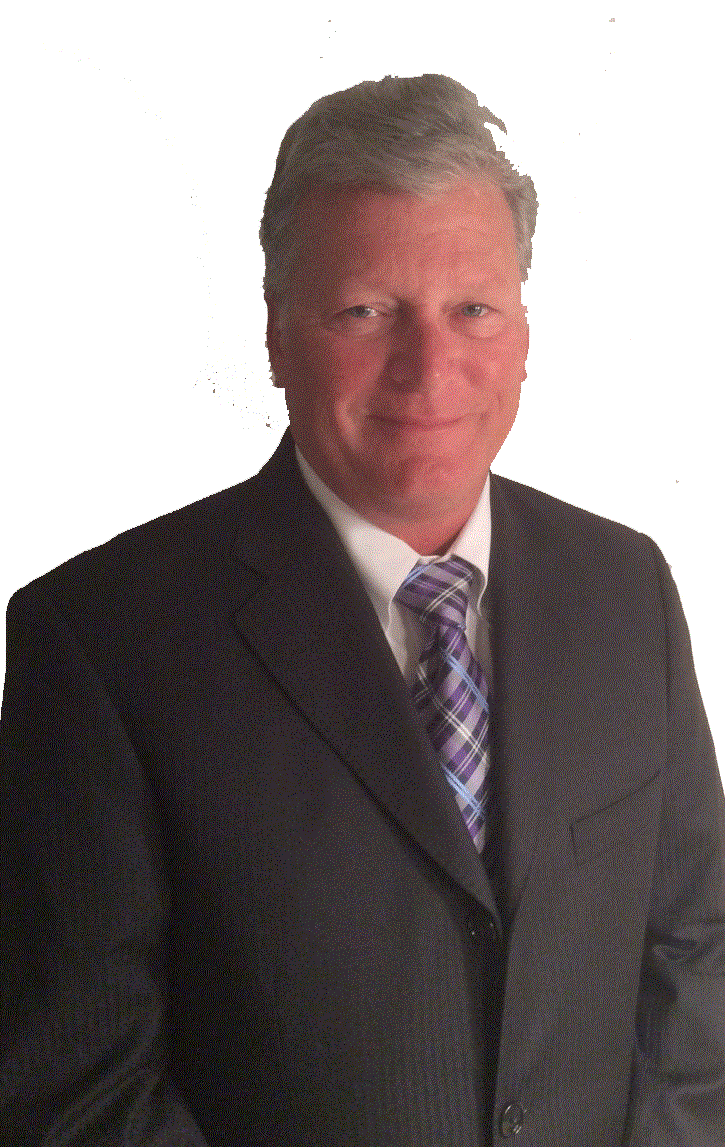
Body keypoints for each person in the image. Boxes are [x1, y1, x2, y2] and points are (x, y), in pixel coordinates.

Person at [1, 74, 723, 1147]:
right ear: (275, 335)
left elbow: (694, 957)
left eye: (472, 308)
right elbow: (77, 1083)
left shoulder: (626, 588)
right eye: (365, 311)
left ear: (524, 332)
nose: (428, 368)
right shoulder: (99, 641)